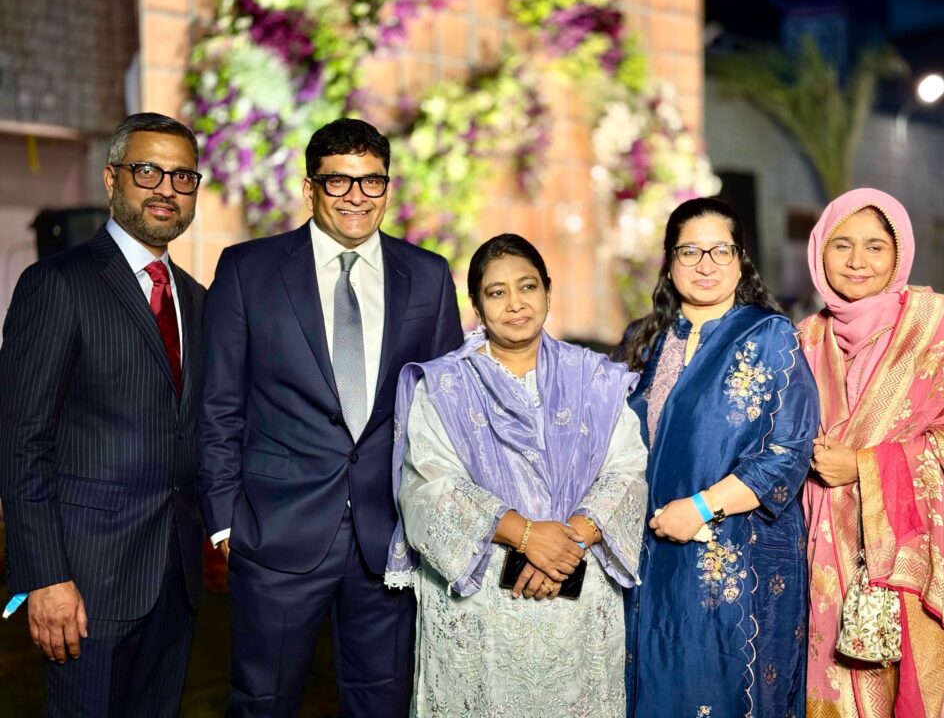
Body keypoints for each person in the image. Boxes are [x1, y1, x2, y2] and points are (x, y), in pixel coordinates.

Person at [199, 118, 463, 717]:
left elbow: (444, 413)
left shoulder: (426, 275)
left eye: (372, 181)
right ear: (309, 188)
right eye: (338, 181)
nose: (356, 196)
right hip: (273, 530)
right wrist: (223, 521)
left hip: (389, 537)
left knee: (382, 703)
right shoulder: (247, 269)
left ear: (387, 187)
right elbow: (219, 404)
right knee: (263, 702)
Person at [384, 233, 648, 716]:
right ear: (476, 306)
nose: (515, 304)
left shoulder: (595, 378)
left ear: (548, 291)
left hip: (577, 588)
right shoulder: (445, 385)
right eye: (497, 292)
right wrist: (526, 535)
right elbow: (430, 486)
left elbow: (627, 470)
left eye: (527, 287)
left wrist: (564, 545)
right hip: (482, 603)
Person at [0, 112, 206, 717]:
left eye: (182, 176)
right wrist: (44, 577)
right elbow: (20, 441)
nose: (166, 188)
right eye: (148, 171)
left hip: (175, 575)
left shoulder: (198, 300)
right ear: (112, 179)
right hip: (85, 580)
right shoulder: (56, 284)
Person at [800, 187, 944, 716]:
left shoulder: (935, 322)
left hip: (919, 564)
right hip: (826, 561)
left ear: (899, 252)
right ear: (819, 251)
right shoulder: (806, 337)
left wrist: (864, 465)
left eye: (875, 246)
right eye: (842, 245)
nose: (857, 261)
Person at [618, 198, 819, 717]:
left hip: (736, 553)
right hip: (650, 554)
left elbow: (787, 451)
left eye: (720, 251)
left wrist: (702, 507)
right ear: (670, 261)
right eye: (690, 251)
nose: (705, 264)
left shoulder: (769, 336)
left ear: (740, 260)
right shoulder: (643, 343)